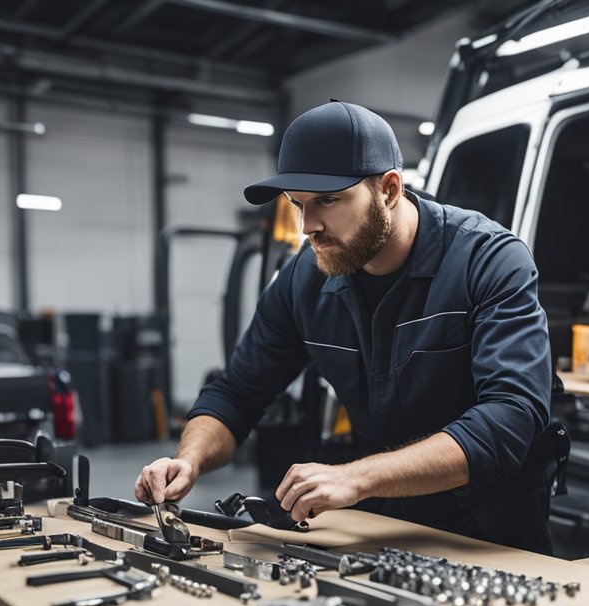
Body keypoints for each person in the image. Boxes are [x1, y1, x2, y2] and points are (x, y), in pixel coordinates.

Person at [136, 100, 560, 552]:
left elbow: (511, 417)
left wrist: (355, 477)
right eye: (297, 204)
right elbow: (237, 392)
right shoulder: (306, 277)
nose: (308, 226)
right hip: (380, 524)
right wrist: (189, 459)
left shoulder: (488, 259)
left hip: (491, 531)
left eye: (327, 200)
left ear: (390, 189)